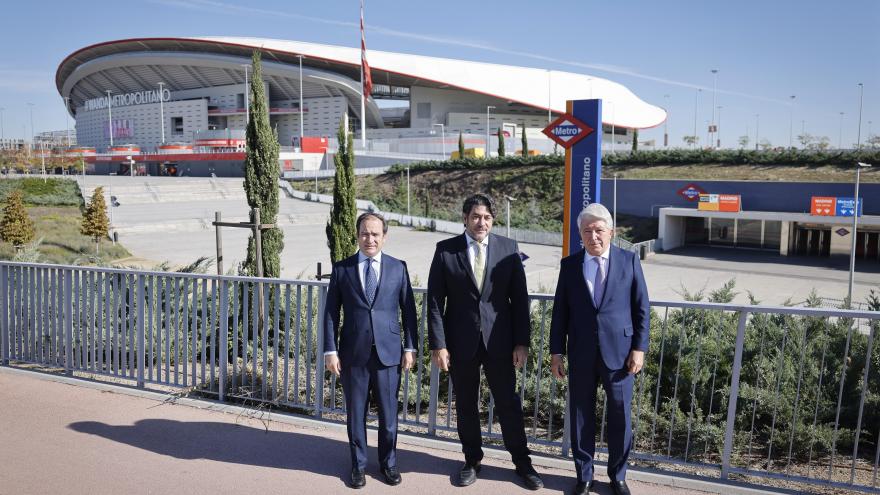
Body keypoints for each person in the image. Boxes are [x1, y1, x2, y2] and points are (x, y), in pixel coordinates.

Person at [427, 193, 543, 490]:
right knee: (465, 404)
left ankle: (522, 462)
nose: (482, 222)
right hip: (460, 342)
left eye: (487, 217)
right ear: (465, 218)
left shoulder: (508, 249)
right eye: (476, 217)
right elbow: (435, 303)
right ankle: (472, 459)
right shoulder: (445, 251)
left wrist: (522, 342)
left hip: (500, 343)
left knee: (508, 403)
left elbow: (519, 300)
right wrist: (438, 345)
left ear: (493, 220)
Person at [549, 203, 650, 495]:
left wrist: (639, 348)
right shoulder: (570, 265)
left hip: (620, 355)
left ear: (611, 232)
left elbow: (642, 308)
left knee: (620, 416)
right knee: (581, 415)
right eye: (587, 231)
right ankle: (584, 475)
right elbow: (560, 312)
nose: (593, 236)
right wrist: (557, 352)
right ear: (580, 234)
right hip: (581, 353)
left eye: (598, 230)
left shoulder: (629, 261)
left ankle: (618, 476)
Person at [323, 212, 418, 489]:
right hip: (353, 355)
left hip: (389, 355)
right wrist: (330, 351)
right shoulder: (342, 269)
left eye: (376, 234)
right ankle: (358, 466)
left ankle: (388, 464)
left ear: (384, 237)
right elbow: (331, 313)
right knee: (356, 414)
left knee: (389, 416)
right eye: (365, 233)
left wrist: (410, 348)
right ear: (357, 235)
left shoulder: (398, 268)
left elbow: (409, 311)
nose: (370, 239)